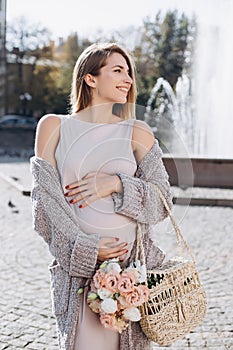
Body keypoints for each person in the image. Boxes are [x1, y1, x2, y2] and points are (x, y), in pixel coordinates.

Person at [30, 42, 173, 350]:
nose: (128, 80)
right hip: (78, 275)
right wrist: (87, 248)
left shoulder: (138, 131)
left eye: (129, 72)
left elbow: (163, 201)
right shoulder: (54, 126)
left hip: (130, 274)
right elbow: (45, 206)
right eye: (117, 70)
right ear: (90, 78)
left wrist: (117, 184)